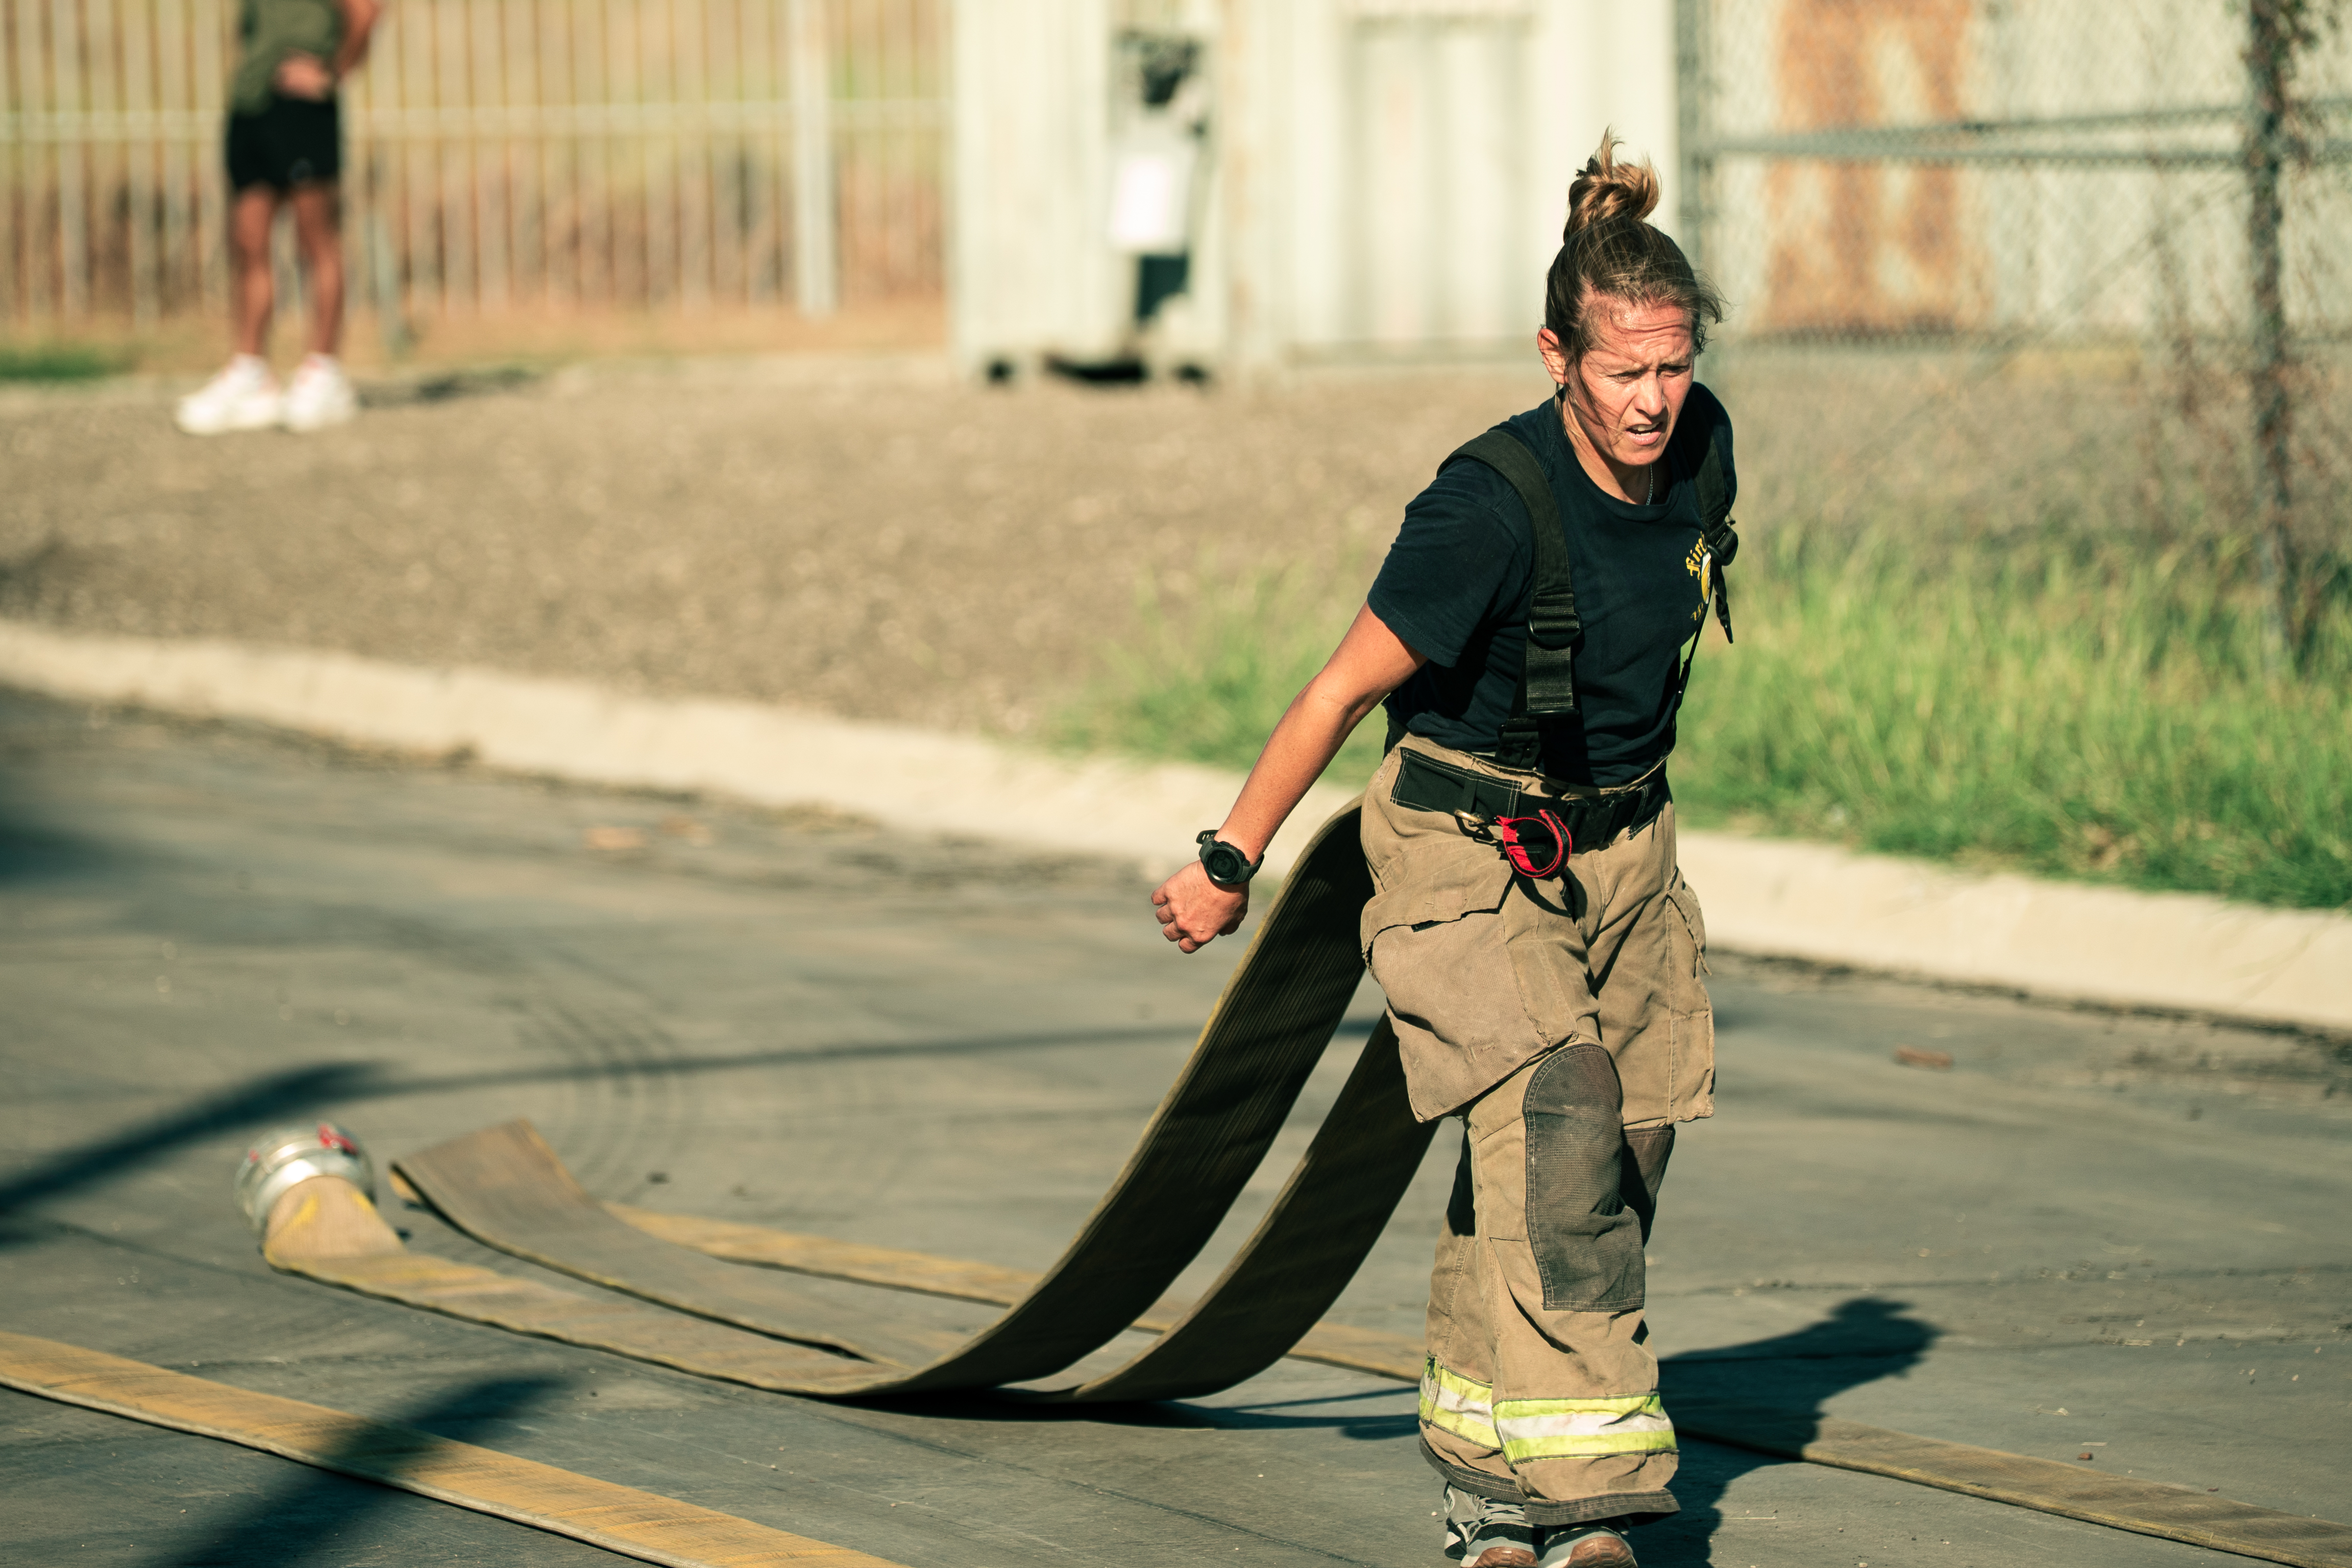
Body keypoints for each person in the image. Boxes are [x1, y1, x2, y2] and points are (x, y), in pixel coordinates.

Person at [1152, 133, 1733, 1568]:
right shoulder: (1484, 509)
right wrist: (1227, 862)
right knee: (1563, 1125)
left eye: (1674, 366)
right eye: (1624, 373)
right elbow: (1339, 691)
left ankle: (1487, 1472)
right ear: (1557, 357)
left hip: (1626, 852)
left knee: (1613, 1157)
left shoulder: (1705, 445)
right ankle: (1591, 1509)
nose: (1656, 401)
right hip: (1462, 846)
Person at [175, 0, 381, 436]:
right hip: (253, 100)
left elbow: (366, 11)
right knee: (249, 241)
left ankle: (323, 371)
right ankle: (251, 372)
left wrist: (333, 72)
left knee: (315, 238)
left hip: (303, 105)